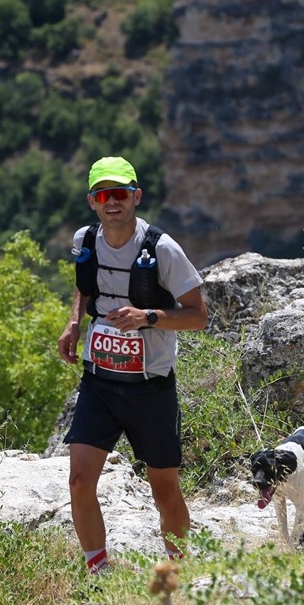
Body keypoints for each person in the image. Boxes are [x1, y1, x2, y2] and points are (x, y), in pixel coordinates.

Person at [57, 156, 208, 574]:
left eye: (120, 193)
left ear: (136, 196)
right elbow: (84, 287)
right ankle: (98, 572)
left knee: (164, 487)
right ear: (92, 201)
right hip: (99, 382)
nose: (113, 202)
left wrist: (150, 317)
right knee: (79, 481)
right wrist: (73, 324)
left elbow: (198, 315)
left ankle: (177, 570)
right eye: (103, 194)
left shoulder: (161, 248)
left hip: (150, 387)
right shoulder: (85, 240)